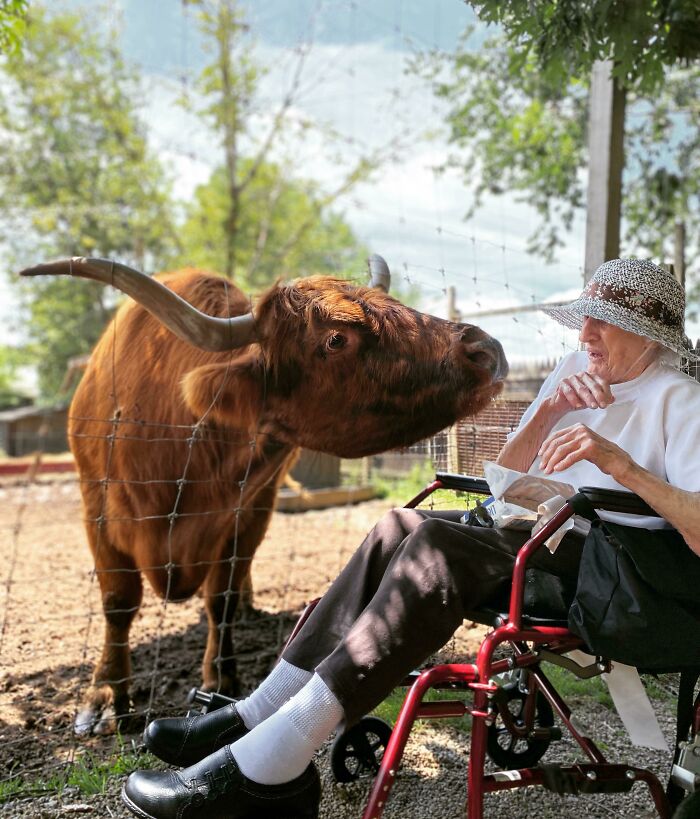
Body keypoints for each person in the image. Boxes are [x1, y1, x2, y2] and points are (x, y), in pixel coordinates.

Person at [121, 258, 700, 819]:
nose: (587, 332)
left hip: (613, 574)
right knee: (396, 525)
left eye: (605, 321)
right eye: (584, 317)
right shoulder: (576, 369)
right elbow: (502, 480)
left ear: (650, 336)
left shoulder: (680, 399)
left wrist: (623, 468)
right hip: (537, 539)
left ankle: (274, 764)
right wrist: (549, 408)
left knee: (435, 551)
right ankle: (259, 714)